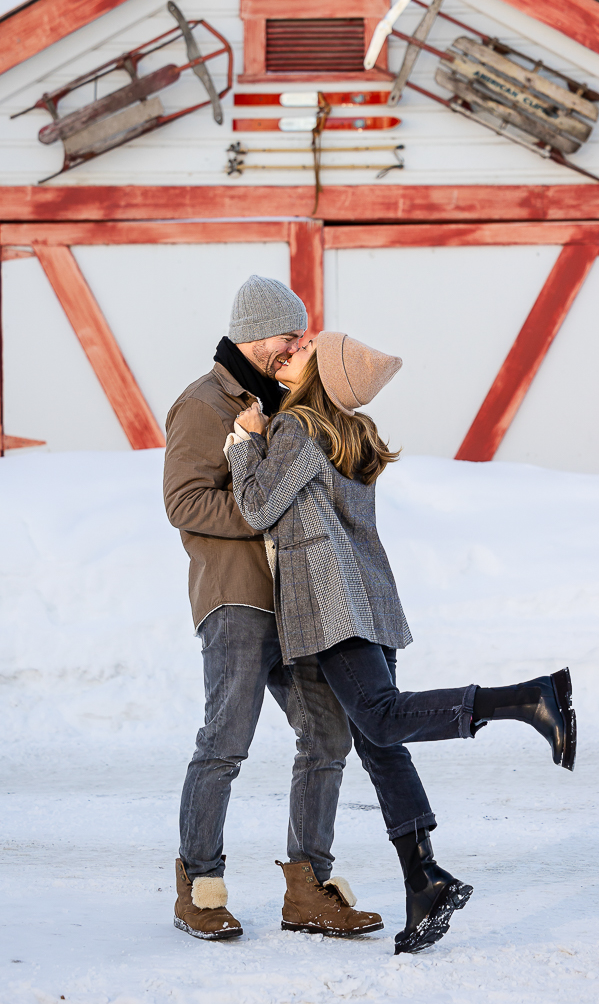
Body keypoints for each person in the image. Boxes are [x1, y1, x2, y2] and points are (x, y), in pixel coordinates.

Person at [226, 332, 577, 954]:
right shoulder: (350, 433)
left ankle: (529, 699)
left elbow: (256, 507)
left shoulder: (297, 429)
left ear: (320, 377)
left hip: (330, 607)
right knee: (379, 744)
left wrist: (243, 442)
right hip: (372, 600)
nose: (295, 350)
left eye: (308, 349)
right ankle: (424, 880)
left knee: (382, 722)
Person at [164, 277, 383, 941]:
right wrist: (269, 518)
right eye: (289, 334)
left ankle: (308, 889)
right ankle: (198, 890)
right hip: (235, 599)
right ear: (255, 333)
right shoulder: (202, 403)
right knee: (225, 742)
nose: (297, 345)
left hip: (298, 606)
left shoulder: (284, 403)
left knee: (327, 734)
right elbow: (184, 502)